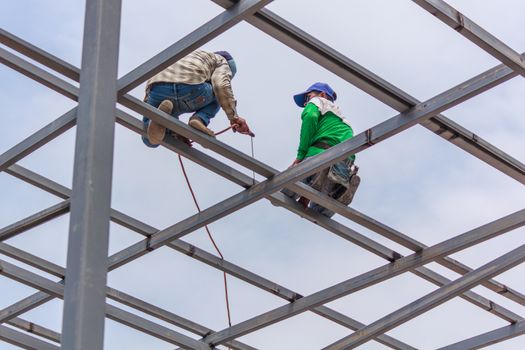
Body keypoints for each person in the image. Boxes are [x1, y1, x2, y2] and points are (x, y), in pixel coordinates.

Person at [142, 50, 253, 147]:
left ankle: (157, 126)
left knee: (148, 137)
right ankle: (199, 119)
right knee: (219, 94)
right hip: (190, 89)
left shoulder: (190, 56)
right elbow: (221, 86)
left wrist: (178, 131)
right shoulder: (222, 61)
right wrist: (234, 118)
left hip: (157, 90)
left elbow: (150, 95)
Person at [285, 82, 359, 217]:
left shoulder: (318, 102)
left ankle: (318, 177)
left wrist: (300, 156)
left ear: (323, 94)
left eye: (308, 97)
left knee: (284, 189)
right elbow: (351, 152)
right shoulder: (344, 123)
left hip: (319, 156)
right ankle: (339, 190)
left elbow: (310, 117)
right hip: (341, 168)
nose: (306, 103)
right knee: (319, 213)